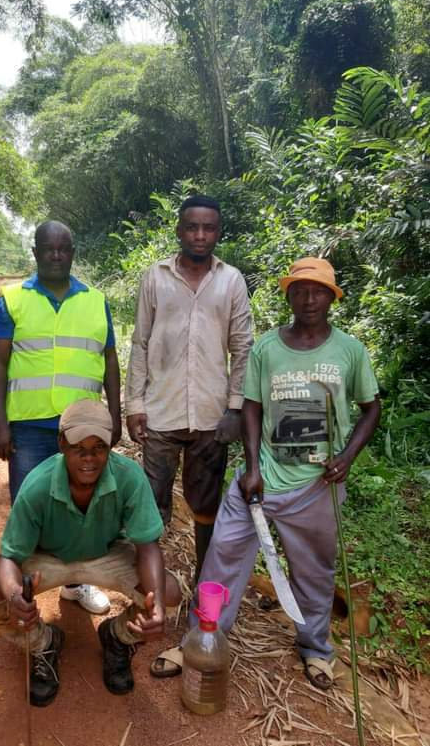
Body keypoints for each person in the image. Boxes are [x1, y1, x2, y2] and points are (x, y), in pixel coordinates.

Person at [151, 257, 381, 687]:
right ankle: (200, 640)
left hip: (318, 485)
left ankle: (316, 649)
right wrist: (253, 467)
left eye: (318, 291)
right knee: (221, 559)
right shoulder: (267, 348)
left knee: (314, 571)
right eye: (300, 290)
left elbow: (371, 408)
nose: (309, 298)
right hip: (261, 479)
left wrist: (347, 457)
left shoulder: (350, 350)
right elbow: (251, 406)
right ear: (288, 295)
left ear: (332, 298)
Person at [0, 399, 181, 706]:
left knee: (170, 593)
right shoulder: (38, 485)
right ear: (61, 444)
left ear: (110, 446)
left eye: (98, 448)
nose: (89, 458)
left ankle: (118, 637)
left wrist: (158, 607)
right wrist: (17, 596)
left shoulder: (129, 477)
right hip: (48, 559)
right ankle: (44, 643)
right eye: (78, 448)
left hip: (107, 554)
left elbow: (148, 546)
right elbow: (9, 557)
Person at [0, 220, 122, 616]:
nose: (56, 255)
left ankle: (76, 584)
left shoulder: (96, 300)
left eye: (64, 249)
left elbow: (110, 360)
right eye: (48, 248)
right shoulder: (12, 299)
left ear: (73, 252)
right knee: (28, 507)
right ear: (35, 252)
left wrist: (114, 413)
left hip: (84, 429)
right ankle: (21, 593)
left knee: (80, 508)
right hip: (29, 426)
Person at [125, 194, 253, 582]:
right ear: (179, 230)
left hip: (212, 419)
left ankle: (205, 586)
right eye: (192, 227)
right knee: (151, 504)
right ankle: (146, 587)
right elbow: (141, 342)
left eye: (208, 228)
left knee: (206, 507)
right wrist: (134, 404)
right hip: (161, 414)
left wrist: (234, 408)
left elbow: (242, 346)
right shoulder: (155, 277)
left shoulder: (231, 280)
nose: (200, 235)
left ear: (218, 232)